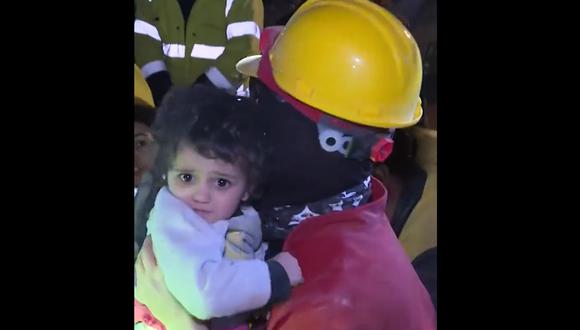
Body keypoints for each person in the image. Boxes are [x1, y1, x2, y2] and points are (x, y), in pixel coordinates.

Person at [137, 1, 436, 329]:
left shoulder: (329, 304)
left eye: (259, 98)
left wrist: (181, 323)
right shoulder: (302, 217)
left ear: (329, 141)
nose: (247, 118)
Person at [135, 86, 303, 330]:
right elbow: (204, 297)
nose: (201, 195)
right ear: (167, 173)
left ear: (247, 188)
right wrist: (276, 275)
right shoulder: (174, 219)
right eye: (186, 178)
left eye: (221, 182)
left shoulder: (236, 218)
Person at [134, 0, 264, 105]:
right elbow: (144, 41)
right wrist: (160, 87)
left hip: (226, 107)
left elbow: (243, 52)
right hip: (168, 109)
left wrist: (199, 95)